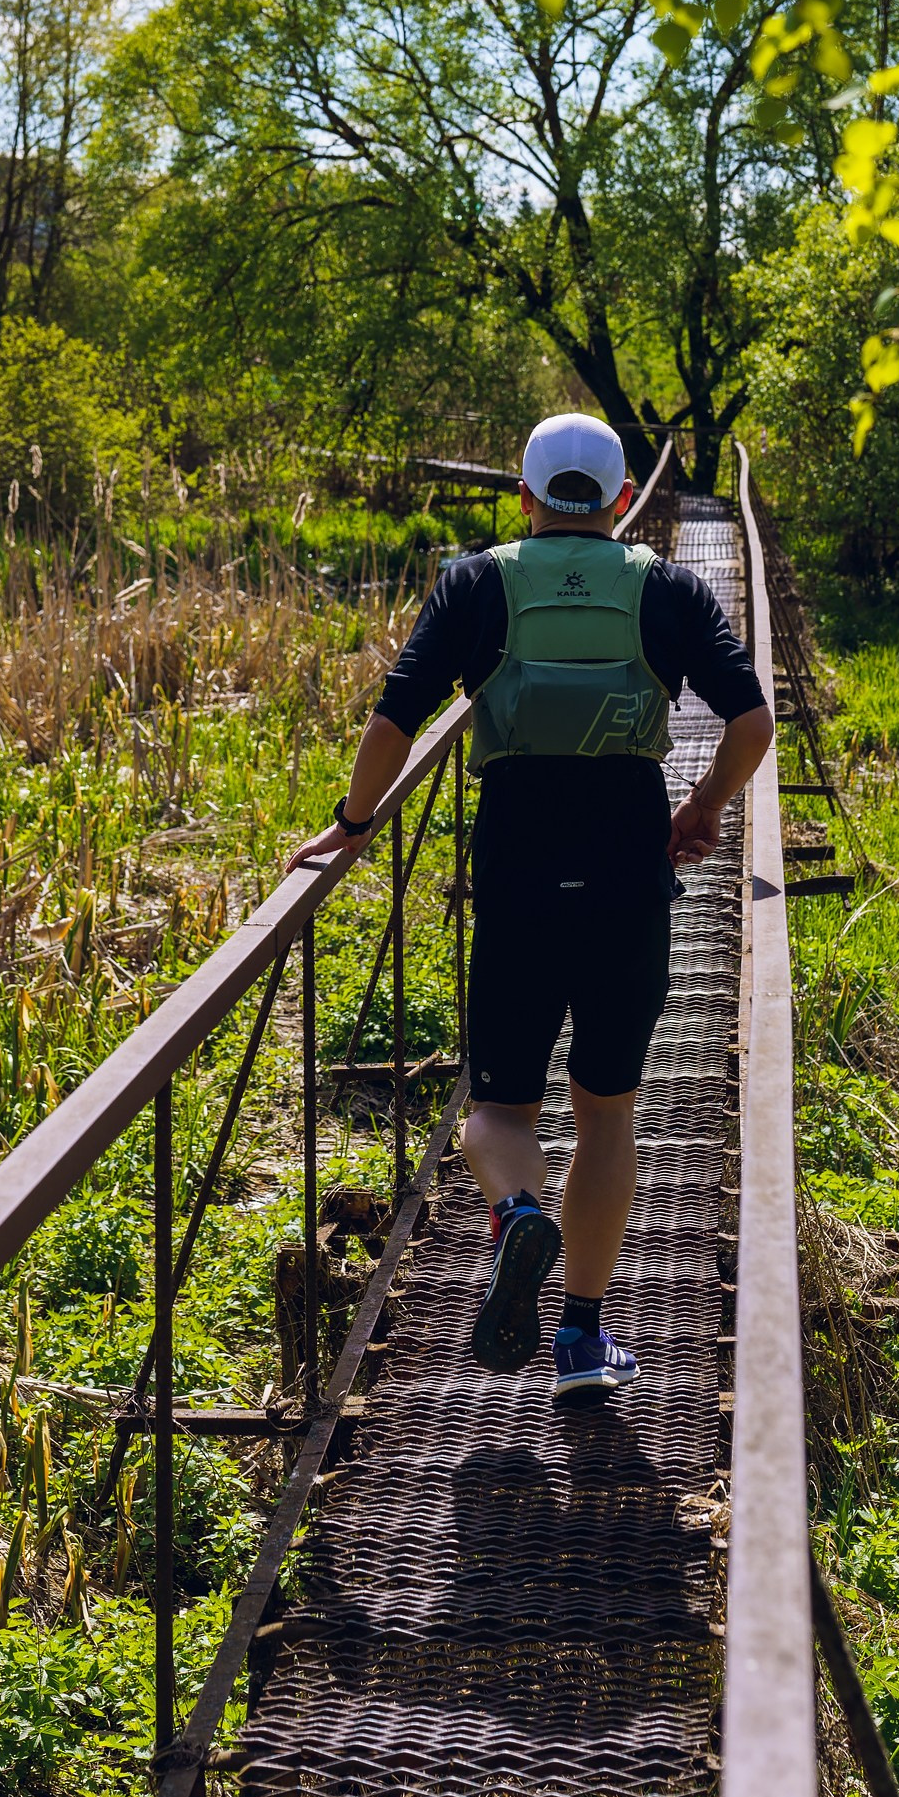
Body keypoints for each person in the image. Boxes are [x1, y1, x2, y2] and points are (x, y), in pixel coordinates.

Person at [290, 413, 772, 1401]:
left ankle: (516, 1216)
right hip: (627, 874)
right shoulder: (668, 587)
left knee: (495, 1111)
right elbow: (752, 720)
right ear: (618, 499)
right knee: (605, 1114)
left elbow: (394, 716)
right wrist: (700, 808)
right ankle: (581, 1343)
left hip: (515, 873)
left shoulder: (475, 581)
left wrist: (352, 819)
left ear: (522, 497)